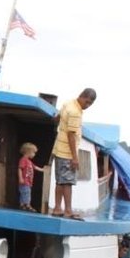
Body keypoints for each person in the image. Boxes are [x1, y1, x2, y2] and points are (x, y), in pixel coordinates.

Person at [51, 88, 96, 220]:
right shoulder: (75, 112)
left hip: (58, 149)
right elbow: (71, 135)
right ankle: (68, 211)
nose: (87, 106)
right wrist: (75, 158)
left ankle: (57, 208)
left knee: (59, 181)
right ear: (82, 96)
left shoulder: (68, 103)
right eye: (87, 102)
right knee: (68, 182)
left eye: (90, 104)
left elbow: (57, 118)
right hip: (67, 152)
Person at [17, 142, 38, 211]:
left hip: (28, 181)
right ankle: (27, 205)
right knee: (26, 192)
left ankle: (23, 204)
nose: (34, 154)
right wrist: (20, 178)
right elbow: (20, 168)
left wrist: (43, 169)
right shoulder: (23, 160)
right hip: (24, 181)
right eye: (33, 153)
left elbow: (35, 167)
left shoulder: (29, 161)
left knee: (25, 192)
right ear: (28, 152)